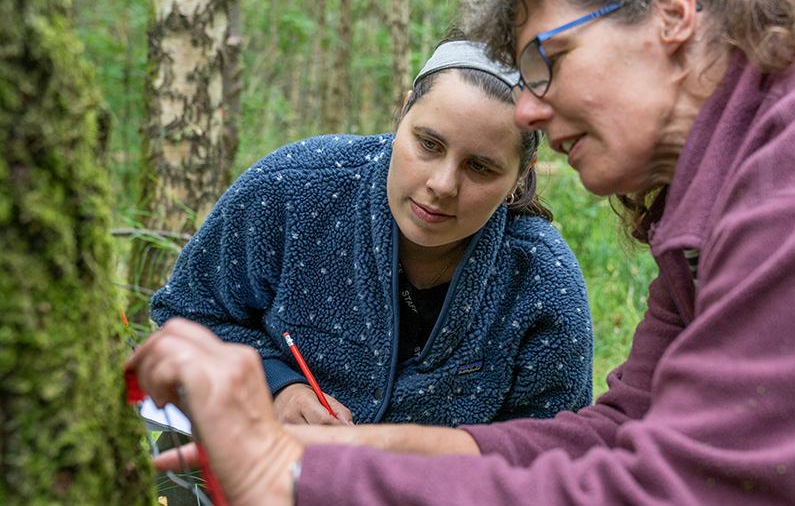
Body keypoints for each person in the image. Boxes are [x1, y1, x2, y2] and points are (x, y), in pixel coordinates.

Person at [130, 0, 795, 504]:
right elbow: (618, 431)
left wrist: (284, 478)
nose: (526, 107)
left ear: (673, 19)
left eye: (545, 62)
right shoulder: (734, 179)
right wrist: (329, 451)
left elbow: (691, 490)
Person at [149, 40, 594, 428]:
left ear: (521, 174)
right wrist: (276, 386)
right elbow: (184, 314)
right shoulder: (292, 189)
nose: (442, 184)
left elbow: (551, 459)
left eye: (480, 166)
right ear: (402, 113)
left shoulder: (542, 284)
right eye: (428, 144)